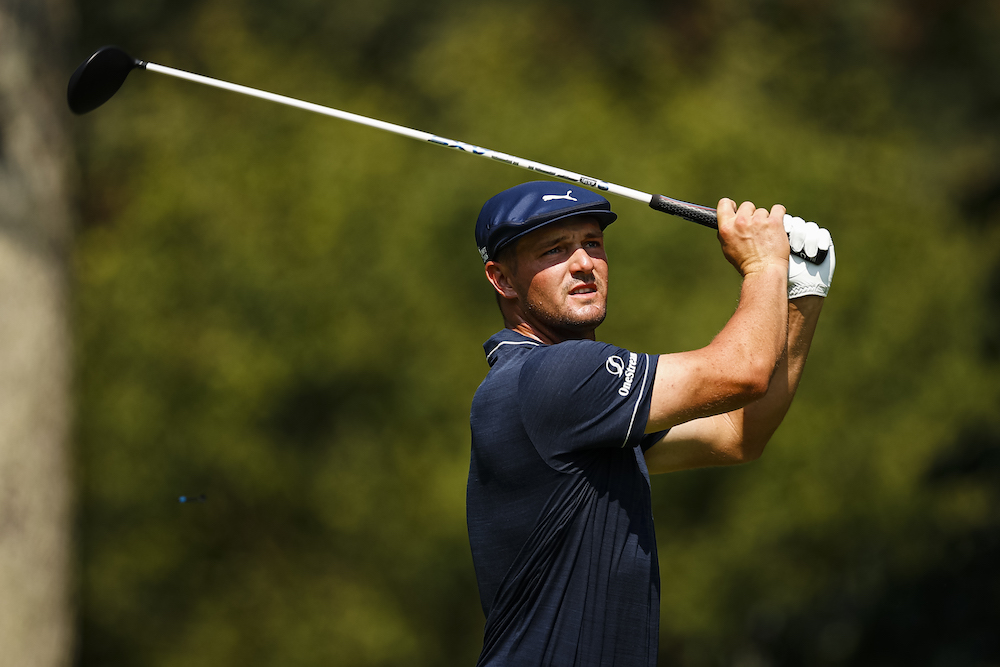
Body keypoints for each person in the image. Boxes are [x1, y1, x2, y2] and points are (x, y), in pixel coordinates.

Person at [466, 181, 834, 666]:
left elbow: (737, 435)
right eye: (554, 250)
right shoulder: (551, 375)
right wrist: (765, 265)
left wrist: (802, 293)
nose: (583, 264)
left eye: (592, 244)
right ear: (503, 280)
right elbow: (742, 373)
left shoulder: (573, 405)